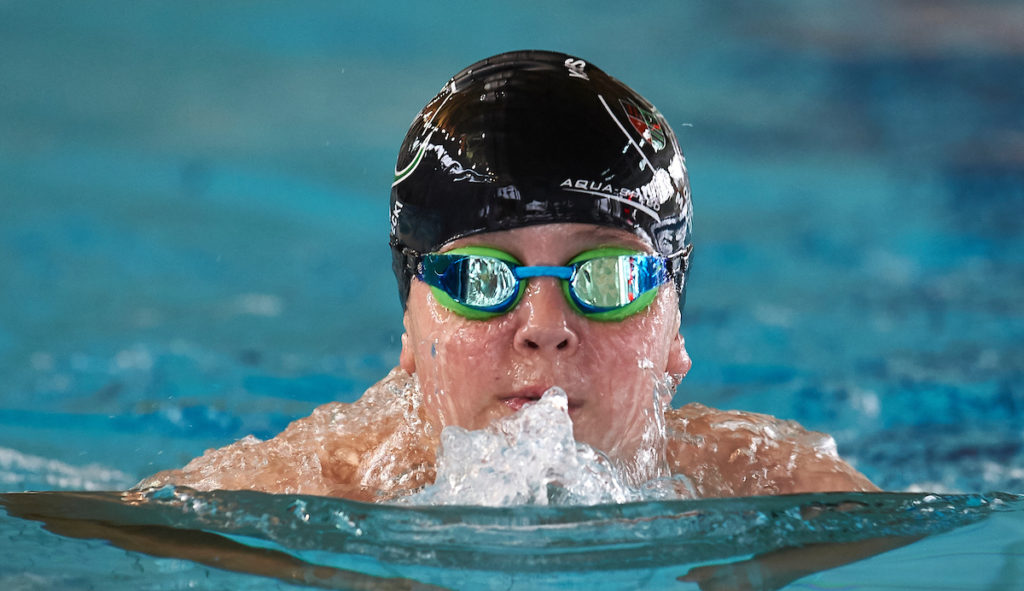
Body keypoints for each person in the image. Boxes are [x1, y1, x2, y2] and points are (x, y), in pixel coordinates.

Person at [137, 50, 877, 502]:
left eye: (611, 276)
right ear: (409, 328)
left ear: (675, 330)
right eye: (484, 277)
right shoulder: (300, 493)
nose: (547, 328)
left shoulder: (778, 489)